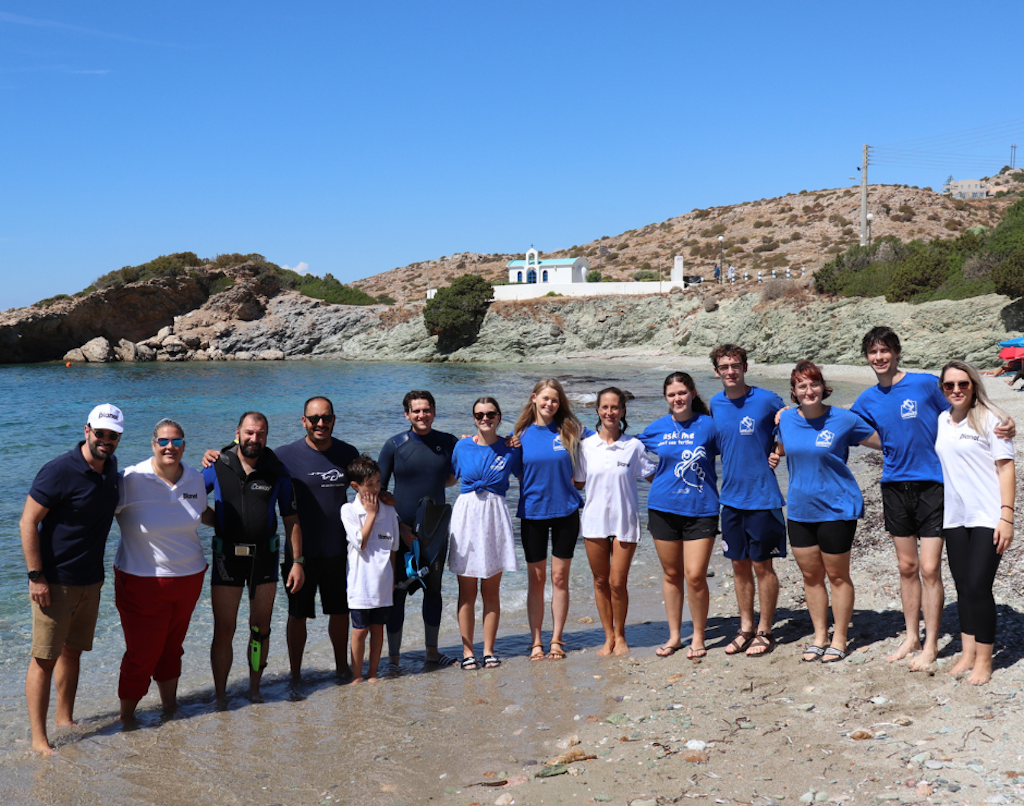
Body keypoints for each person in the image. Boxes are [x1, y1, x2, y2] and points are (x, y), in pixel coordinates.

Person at [851, 327, 1014, 670]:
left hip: (934, 487)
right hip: (894, 486)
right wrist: (783, 420)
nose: (879, 358)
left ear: (896, 352)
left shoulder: (927, 383)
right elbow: (840, 425)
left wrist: (1004, 421)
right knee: (906, 567)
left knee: (929, 569)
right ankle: (911, 636)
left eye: (884, 351)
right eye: (872, 352)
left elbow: (965, 406)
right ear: (867, 357)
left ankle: (930, 644)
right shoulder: (867, 398)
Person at [20, 404, 124, 754]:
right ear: (87, 431)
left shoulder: (112, 470)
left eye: (113, 435)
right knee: (44, 658)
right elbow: (27, 522)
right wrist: (36, 576)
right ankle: (39, 739)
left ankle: (64, 719)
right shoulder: (59, 471)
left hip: (91, 581)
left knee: (73, 652)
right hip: (55, 582)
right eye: (100, 433)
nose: (105, 440)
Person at [776, 361, 880, 663]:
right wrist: (773, 454)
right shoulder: (785, 421)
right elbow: (784, 447)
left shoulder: (845, 420)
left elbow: (886, 443)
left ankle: (840, 637)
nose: (809, 390)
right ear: (794, 392)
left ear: (823, 387)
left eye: (814, 384)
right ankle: (820, 635)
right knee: (810, 577)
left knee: (837, 575)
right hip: (799, 509)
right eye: (802, 386)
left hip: (837, 507)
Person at [113, 419, 212, 721]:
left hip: (189, 578)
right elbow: (94, 512)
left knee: (172, 648)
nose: (171, 447)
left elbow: (204, 514)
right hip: (141, 581)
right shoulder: (129, 479)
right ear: (153, 443)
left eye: (177, 442)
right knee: (142, 654)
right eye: (164, 441)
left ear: (184, 445)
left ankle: (170, 708)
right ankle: (126, 719)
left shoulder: (195, 479)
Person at [203, 412, 304, 704]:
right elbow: (190, 498)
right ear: (238, 432)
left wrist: (298, 562)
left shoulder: (278, 470)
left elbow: (291, 518)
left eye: (260, 434)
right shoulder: (217, 465)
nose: (254, 439)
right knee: (224, 629)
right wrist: (219, 522)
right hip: (226, 557)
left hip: (265, 559)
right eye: (249, 433)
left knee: (260, 629)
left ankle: (255, 689)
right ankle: (220, 695)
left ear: (266, 436)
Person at [935, 360, 1015, 686]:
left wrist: (1006, 516)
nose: (956, 390)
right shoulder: (942, 419)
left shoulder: (991, 419)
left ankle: (984, 660)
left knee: (979, 587)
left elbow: (1006, 467)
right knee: (963, 587)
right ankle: (968, 653)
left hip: (987, 515)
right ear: (942, 389)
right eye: (949, 385)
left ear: (974, 385)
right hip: (955, 517)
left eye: (963, 384)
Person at [709, 345, 787, 657]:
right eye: (724, 366)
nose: (731, 371)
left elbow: (793, 422)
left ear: (745, 367)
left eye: (736, 365)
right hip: (730, 499)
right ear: (716, 371)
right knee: (739, 567)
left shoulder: (767, 399)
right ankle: (745, 628)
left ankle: (765, 630)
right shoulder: (715, 403)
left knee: (762, 566)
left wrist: (778, 450)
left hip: (763, 498)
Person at [274, 397, 359, 683]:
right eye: (314, 419)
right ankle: (295, 674)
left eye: (326, 418)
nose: (320, 424)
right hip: (300, 555)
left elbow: (369, 487)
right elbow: (247, 464)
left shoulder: (348, 453)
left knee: (340, 611)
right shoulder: (284, 455)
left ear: (334, 420)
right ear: (304, 421)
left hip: (338, 551)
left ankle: (342, 668)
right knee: (298, 615)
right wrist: (218, 452)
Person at [637, 373, 719, 660]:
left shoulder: (709, 425)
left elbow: (737, 447)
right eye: (672, 394)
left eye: (682, 392)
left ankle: (698, 636)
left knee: (695, 575)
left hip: (702, 509)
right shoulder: (657, 428)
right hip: (662, 508)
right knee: (672, 574)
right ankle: (674, 636)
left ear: (693, 393)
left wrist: (776, 447)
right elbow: (624, 447)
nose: (677, 398)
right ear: (666, 398)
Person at [378, 391, 459, 668]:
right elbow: (377, 490)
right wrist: (398, 525)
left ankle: (432, 652)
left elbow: (456, 474)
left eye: (426, 410)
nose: (422, 415)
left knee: (433, 591)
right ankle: (394, 657)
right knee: (398, 592)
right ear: (407, 414)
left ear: (434, 411)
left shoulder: (448, 442)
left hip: (434, 529)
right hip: (401, 531)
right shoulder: (394, 445)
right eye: (416, 411)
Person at [513, 378, 586, 661]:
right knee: (537, 578)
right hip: (532, 513)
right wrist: (467, 442)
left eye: (554, 400)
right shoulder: (519, 434)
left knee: (559, 577)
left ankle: (556, 639)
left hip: (566, 511)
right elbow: (494, 452)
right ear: (534, 398)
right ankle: (536, 641)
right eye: (545, 399)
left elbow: (604, 441)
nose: (549, 404)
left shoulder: (571, 430)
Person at [578, 388, 655, 656]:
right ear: (597, 410)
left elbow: (654, 477)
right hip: (594, 521)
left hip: (625, 521)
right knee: (600, 581)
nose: (609, 412)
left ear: (623, 411)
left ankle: (621, 635)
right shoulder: (586, 446)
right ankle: (608, 637)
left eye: (615, 407)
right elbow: (576, 482)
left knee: (617, 581)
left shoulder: (633, 446)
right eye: (604, 407)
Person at [449, 398, 522, 669]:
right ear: (474, 418)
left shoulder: (511, 448)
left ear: (499, 416)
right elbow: (448, 477)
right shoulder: (461, 445)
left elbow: (528, 475)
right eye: (479, 414)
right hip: (467, 515)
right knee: (466, 591)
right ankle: (468, 651)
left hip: (495, 515)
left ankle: (489, 649)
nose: (485, 418)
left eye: (490, 414)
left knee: (491, 590)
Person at [342, 455, 401, 684]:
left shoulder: (389, 510)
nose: (376, 488)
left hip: (383, 582)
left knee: (378, 630)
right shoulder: (348, 510)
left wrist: (392, 578)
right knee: (359, 631)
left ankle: (373, 672)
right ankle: (357, 674)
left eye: (378, 482)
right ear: (355, 486)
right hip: (359, 583)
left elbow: (393, 548)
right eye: (370, 485)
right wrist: (372, 514)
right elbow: (361, 542)